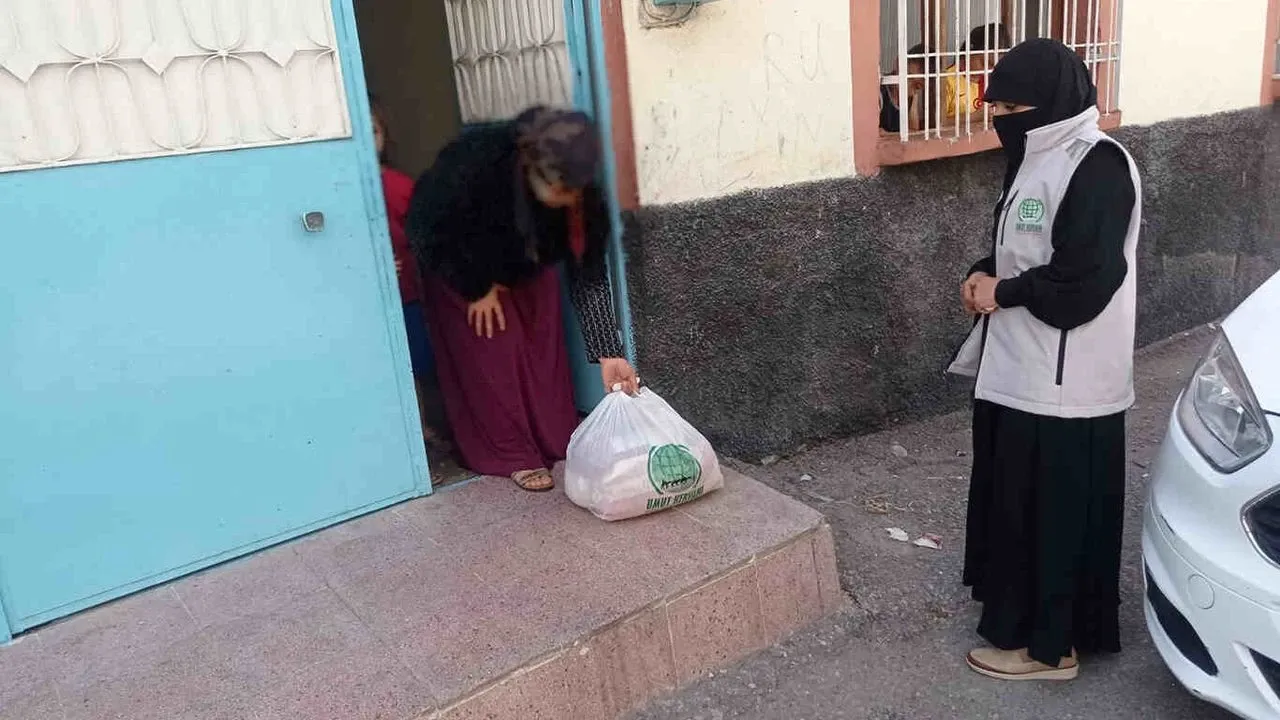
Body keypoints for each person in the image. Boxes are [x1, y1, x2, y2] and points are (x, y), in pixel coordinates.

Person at [947, 38, 1141, 681]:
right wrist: (983, 273)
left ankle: (1049, 649)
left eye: (1013, 107)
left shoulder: (1098, 164)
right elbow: (1023, 248)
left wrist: (1002, 292)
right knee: (1015, 504)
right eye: (996, 108)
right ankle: (1017, 618)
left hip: (1066, 385)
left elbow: (1085, 279)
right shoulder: (1036, 155)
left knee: (1053, 515)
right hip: (1018, 371)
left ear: (1052, 101)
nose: (1003, 119)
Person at [406, 106, 639, 493]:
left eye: (574, 192)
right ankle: (510, 452)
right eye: (558, 190)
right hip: (461, 262)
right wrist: (475, 285)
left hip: (526, 262)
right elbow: (423, 227)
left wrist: (608, 352)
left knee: (542, 348)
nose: (566, 200)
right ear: (531, 166)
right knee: (493, 353)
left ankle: (553, 437)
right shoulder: (475, 161)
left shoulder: (581, 195)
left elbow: (587, 268)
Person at [370, 97, 449, 457]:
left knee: (417, 364)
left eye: (373, 131)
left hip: (408, 295)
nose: (366, 140)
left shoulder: (399, 186)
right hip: (366, 301)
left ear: (385, 136)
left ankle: (424, 428)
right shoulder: (339, 190)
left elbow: (426, 235)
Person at [943, 23, 1010, 120]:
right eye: (984, 63)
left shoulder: (993, 81)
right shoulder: (947, 80)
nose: (988, 70)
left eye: (994, 67)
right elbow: (936, 123)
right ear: (970, 50)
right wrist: (974, 117)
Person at [879, 43, 928, 133]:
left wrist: (889, 136)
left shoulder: (912, 96)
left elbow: (913, 132)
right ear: (898, 64)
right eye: (907, 75)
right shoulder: (879, 91)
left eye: (917, 87)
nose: (908, 85)